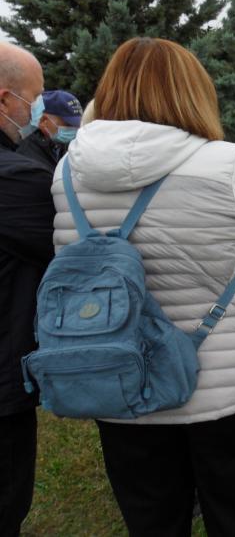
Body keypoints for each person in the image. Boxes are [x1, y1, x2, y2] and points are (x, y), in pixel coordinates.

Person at [51, 37, 235, 536]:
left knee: (152, 518)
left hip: (120, 377)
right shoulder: (227, 163)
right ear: (193, 92)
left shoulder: (67, 172)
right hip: (229, 382)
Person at [0, 42, 55, 536]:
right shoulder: (15, 177)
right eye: (33, 98)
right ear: (3, 100)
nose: (35, 110)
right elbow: (66, 251)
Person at [17, 89, 83, 173]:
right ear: (44, 121)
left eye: (77, 125)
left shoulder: (61, 146)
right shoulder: (26, 155)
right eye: (68, 125)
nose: (75, 130)